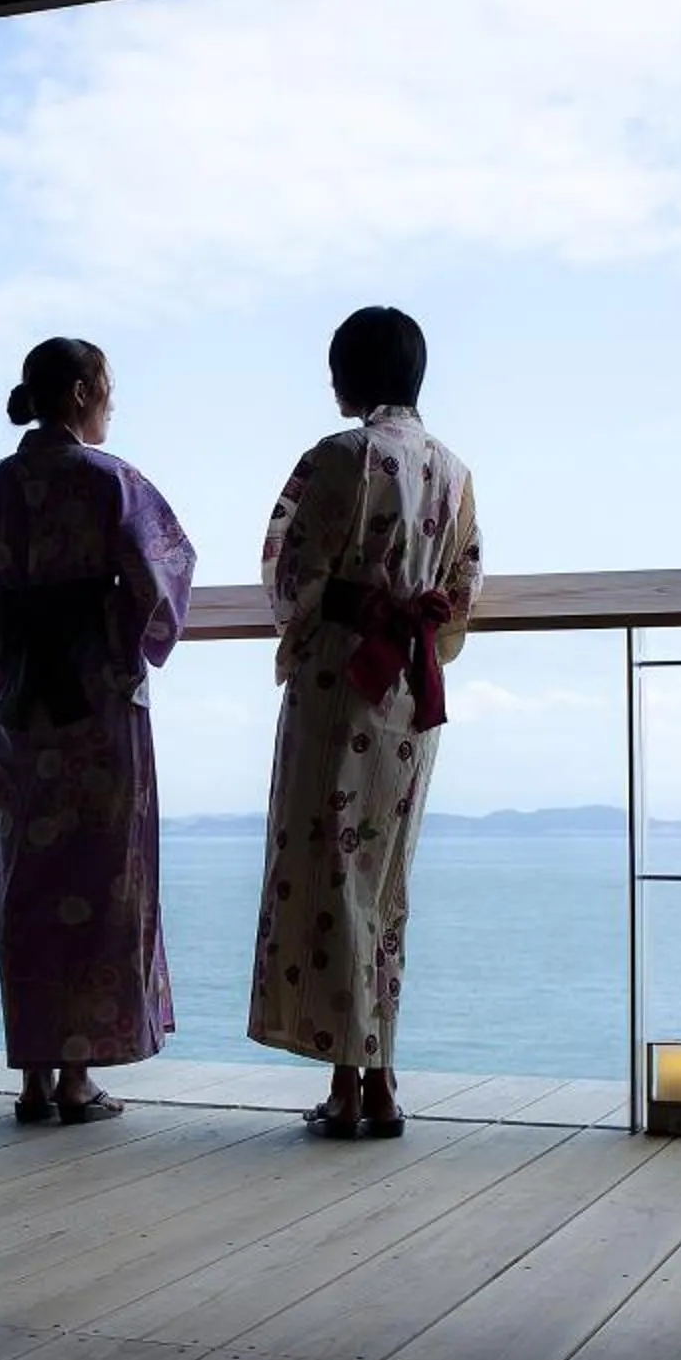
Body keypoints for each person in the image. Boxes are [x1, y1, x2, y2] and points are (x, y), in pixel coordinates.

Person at [0, 338, 196, 1124]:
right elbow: (163, 579)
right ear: (83, 392)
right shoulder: (110, 480)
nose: (112, 404)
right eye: (108, 389)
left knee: (28, 878)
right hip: (96, 697)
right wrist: (121, 645)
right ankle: (79, 1077)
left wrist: (5, 664)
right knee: (98, 876)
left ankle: (32, 1076)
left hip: (22, 701)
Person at [247, 306, 483, 1137]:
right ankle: (380, 1081)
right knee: (386, 884)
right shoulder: (453, 472)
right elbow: (462, 587)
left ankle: (347, 1089)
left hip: (341, 680)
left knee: (332, 876)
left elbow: (290, 572)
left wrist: (327, 612)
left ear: (350, 373)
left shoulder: (339, 458)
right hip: (410, 693)